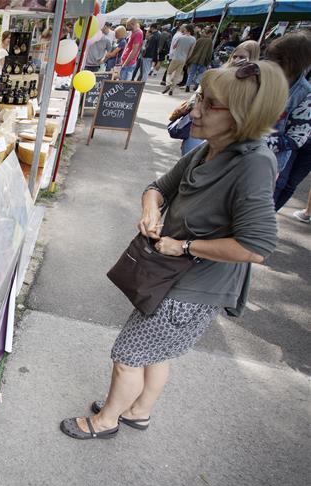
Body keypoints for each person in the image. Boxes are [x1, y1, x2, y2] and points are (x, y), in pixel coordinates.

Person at [61, 61, 289, 440]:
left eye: (209, 104)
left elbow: (257, 246)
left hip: (193, 285)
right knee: (156, 352)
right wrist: (151, 209)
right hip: (170, 276)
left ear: (241, 116)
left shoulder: (253, 164)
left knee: (127, 356)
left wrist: (183, 245)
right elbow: (158, 186)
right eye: (199, 97)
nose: (194, 109)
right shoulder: (209, 149)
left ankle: (107, 421)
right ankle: (139, 410)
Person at [264, 31, 311, 211]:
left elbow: (296, 138)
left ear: (293, 63)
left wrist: (258, 142)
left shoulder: (304, 93)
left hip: (269, 161)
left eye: (279, 60)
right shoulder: (262, 76)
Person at [163, 24, 195, 95]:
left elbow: (174, 47)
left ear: (186, 30)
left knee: (169, 72)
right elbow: (191, 51)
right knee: (177, 75)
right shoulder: (193, 39)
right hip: (183, 59)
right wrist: (187, 59)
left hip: (176, 57)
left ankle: (168, 84)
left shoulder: (180, 37)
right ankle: (171, 90)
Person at [185, 26, 214, 92]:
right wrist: (209, 60)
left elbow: (194, 49)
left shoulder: (199, 39)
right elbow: (209, 52)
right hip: (203, 60)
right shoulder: (209, 41)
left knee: (191, 73)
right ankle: (196, 83)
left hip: (195, 58)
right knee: (201, 73)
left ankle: (187, 85)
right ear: (210, 34)